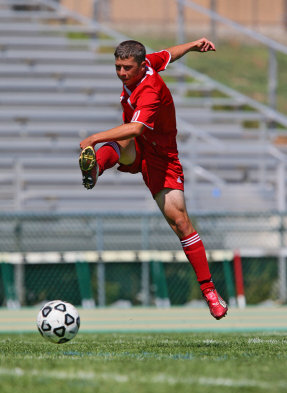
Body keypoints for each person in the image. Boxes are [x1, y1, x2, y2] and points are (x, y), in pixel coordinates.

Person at [79, 38, 228, 319]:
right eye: (118, 67)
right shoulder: (146, 64)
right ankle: (95, 168)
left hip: (162, 156)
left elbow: (135, 128)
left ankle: (209, 291)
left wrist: (93, 137)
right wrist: (194, 45)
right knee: (122, 146)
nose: (122, 73)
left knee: (180, 221)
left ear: (139, 65)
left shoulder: (150, 88)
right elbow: (169, 54)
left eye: (126, 68)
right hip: (138, 146)